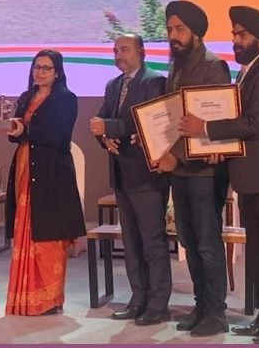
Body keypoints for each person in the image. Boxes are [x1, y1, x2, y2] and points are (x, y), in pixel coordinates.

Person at [181, 6, 259, 343]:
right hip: (253, 177)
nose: (235, 40)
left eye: (242, 34)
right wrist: (220, 146)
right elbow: (244, 127)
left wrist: (205, 128)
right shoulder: (248, 72)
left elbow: (255, 123)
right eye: (234, 33)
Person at [154, 0, 232, 336]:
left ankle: (216, 312)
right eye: (170, 29)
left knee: (206, 244)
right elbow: (172, 119)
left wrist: (176, 156)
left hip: (204, 172)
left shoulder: (213, 66)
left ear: (196, 33)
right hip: (181, 173)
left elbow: (214, 123)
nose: (173, 35)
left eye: (180, 29)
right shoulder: (176, 66)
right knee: (188, 240)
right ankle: (201, 306)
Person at [90, 34, 171, 325]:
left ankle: (158, 304)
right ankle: (138, 299)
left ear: (142, 52)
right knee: (131, 242)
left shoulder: (154, 82)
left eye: (124, 50)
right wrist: (104, 138)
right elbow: (100, 123)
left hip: (147, 175)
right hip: (121, 174)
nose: (118, 55)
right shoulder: (113, 85)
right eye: (115, 50)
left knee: (152, 241)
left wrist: (108, 128)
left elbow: (145, 122)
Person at [3, 50, 86, 315]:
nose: (40, 72)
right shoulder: (26, 96)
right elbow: (15, 135)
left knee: (49, 236)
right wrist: (12, 129)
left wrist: (26, 131)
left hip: (53, 174)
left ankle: (49, 299)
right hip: (26, 169)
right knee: (26, 231)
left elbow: (59, 137)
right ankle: (25, 298)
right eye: (37, 67)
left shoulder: (66, 99)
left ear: (57, 72)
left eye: (46, 68)